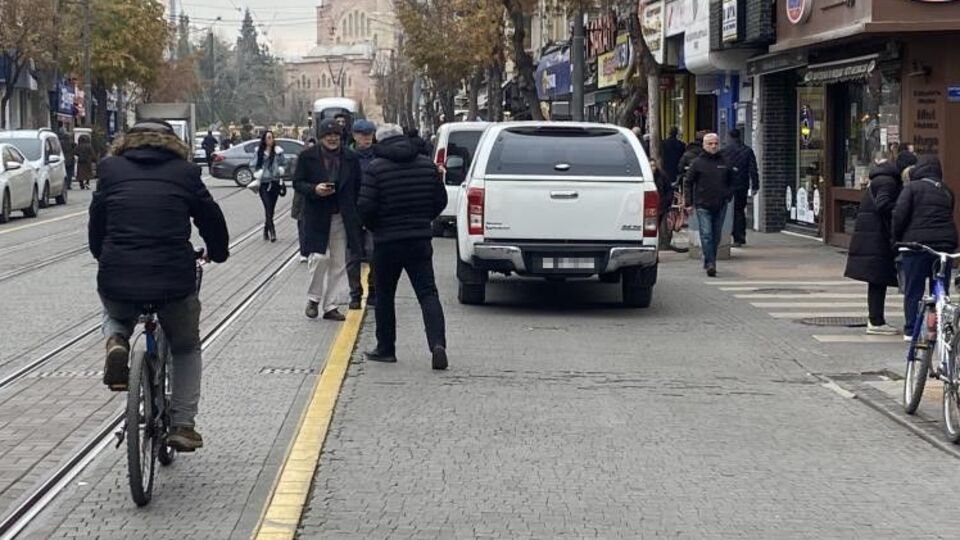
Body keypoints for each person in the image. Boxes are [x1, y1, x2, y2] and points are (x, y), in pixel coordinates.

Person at [88, 119, 229, 452]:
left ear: (128, 141)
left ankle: (117, 342)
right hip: (173, 281)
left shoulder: (110, 169)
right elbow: (210, 217)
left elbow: (97, 223)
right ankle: (183, 425)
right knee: (186, 346)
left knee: (114, 311)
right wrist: (219, 252)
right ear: (173, 143)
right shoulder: (185, 172)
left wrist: (103, 256)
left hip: (118, 274)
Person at [358, 125, 448, 370]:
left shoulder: (376, 168)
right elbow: (440, 200)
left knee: (385, 295)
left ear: (380, 141)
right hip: (419, 240)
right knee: (428, 293)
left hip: (387, 242)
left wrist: (376, 227)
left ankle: (386, 348)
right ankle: (437, 344)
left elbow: (365, 207)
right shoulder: (426, 166)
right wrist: (423, 219)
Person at [293, 119, 364, 321]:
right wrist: (314, 189)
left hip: (343, 216)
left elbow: (358, 184)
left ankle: (330, 305)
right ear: (321, 137)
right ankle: (314, 298)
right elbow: (297, 182)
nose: (332, 138)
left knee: (339, 262)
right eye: (328, 135)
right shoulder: (307, 157)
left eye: (336, 135)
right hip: (317, 215)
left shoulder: (351, 157)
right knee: (320, 258)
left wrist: (355, 209)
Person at [843, 153, 915, 336]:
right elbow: (884, 205)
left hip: (873, 234)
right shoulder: (888, 181)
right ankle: (875, 321)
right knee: (877, 279)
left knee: (877, 279)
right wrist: (901, 211)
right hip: (876, 236)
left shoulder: (883, 178)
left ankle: (876, 319)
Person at [893, 155, 958, 340]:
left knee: (914, 289)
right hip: (944, 245)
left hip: (917, 246)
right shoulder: (947, 190)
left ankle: (911, 329)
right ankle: (940, 325)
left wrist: (897, 240)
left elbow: (899, 215)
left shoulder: (912, 188)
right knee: (941, 287)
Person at [684, 133, 733, 278]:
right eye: (710, 144)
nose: (713, 146)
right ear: (704, 145)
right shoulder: (697, 163)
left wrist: (728, 194)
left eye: (716, 143)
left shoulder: (725, 161)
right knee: (706, 234)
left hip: (721, 203)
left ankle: (708, 258)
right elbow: (688, 182)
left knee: (716, 236)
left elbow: (732, 180)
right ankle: (711, 263)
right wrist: (689, 202)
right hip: (702, 205)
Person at [347, 119, 378, 310]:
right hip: (351, 212)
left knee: (374, 253)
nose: (366, 139)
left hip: (373, 212)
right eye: (362, 135)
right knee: (352, 258)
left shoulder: (379, 156)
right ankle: (355, 294)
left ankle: (373, 288)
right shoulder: (346, 156)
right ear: (355, 136)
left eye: (369, 135)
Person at [721, 129, 760, 247]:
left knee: (726, 211)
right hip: (742, 185)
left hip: (727, 185)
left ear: (729, 137)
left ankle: (726, 235)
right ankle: (740, 237)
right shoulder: (747, 151)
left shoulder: (724, 151)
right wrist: (755, 185)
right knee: (739, 211)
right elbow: (753, 169)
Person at [251, 130, 287, 242]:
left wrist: (280, 170)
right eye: (268, 138)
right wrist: (258, 172)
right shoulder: (259, 152)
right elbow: (253, 164)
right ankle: (272, 232)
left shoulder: (278, 152)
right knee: (267, 206)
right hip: (264, 183)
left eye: (271, 137)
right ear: (264, 140)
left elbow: (284, 163)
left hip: (275, 182)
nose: (270, 140)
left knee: (271, 208)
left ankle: (266, 229)